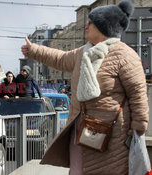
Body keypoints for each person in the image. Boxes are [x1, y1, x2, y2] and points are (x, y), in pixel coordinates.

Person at [21, 1, 149, 174]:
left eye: (91, 23)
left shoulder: (125, 55)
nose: (86, 26)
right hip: (81, 132)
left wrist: (139, 125)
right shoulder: (83, 52)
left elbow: (138, 94)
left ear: (105, 27)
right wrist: (34, 50)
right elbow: (60, 58)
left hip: (112, 136)